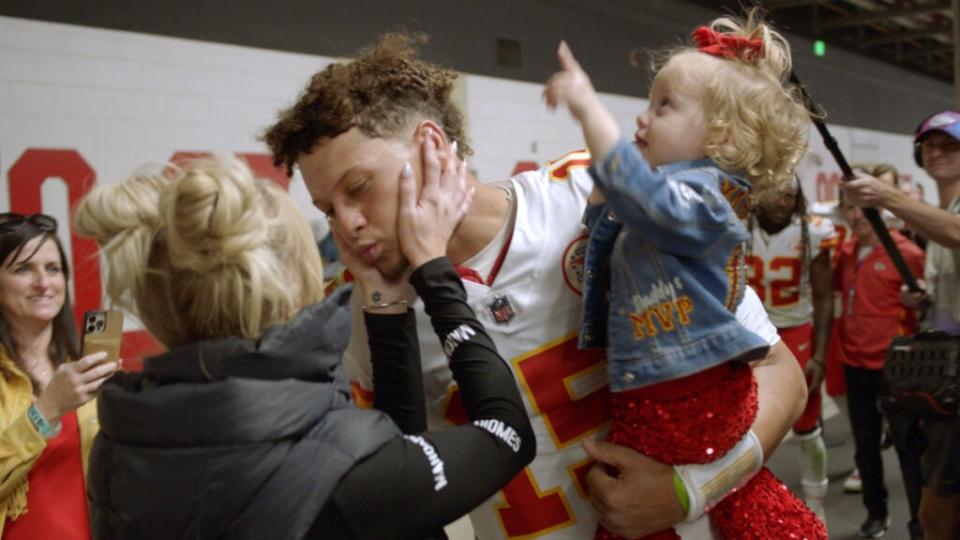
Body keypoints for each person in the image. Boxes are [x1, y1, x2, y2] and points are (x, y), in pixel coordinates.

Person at [263, 32, 809, 540]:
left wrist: (691, 492)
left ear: (430, 145)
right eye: (327, 208)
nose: (348, 223)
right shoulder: (365, 312)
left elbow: (780, 372)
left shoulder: (587, 198)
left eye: (359, 187)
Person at [74, 151, 536, 539]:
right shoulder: (340, 471)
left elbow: (386, 459)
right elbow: (507, 433)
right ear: (291, 285)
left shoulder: (118, 444)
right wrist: (434, 271)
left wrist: (385, 304)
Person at [543, 12, 823, 539]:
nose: (643, 119)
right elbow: (603, 232)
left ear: (721, 135)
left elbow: (642, 197)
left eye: (664, 106)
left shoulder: (709, 200)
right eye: (648, 104)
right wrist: (605, 199)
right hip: (653, 399)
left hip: (694, 400)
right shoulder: (672, 198)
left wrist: (587, 106)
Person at [843, 109, 960, 540]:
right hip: (945, 381)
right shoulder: (941, 214)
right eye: (930, 144)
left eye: (951, 144)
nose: (938, 151)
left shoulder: (946, 217)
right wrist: (925, 302)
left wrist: (887, 198)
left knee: (938, 515)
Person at [0, 213, 118, 538]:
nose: (43, 282)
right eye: (23, 269)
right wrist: (46, 410)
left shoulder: (83, 367)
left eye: (53, 269)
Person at [833, 194, 926, 539]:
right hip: (855, 363)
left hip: (896, 366)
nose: (856, 215)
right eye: (849, 207)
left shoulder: (908, 254)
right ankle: (876, 512)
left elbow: (926, 309)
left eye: (862, 206)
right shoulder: (846, 252)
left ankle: (920, 523)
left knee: (909, 449)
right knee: (865, 444)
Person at [746, 179, 836, 520]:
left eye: (790, 193)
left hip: (796, 329)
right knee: (746, 422)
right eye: (776, 192)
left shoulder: (813, 231)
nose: (783, 200)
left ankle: (816, 506)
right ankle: (751, 506)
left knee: (806, 425)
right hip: (752, 332)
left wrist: (819, 354)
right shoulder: (740, 224)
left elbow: (825, 296)